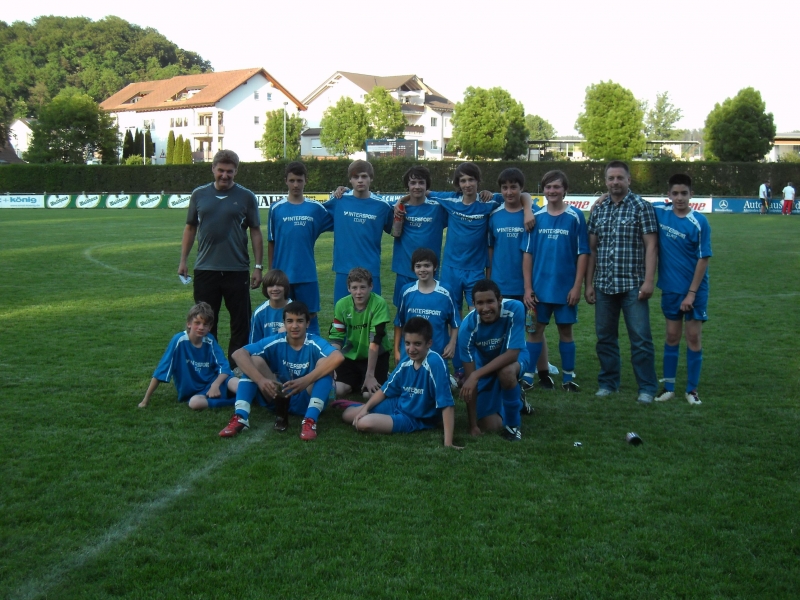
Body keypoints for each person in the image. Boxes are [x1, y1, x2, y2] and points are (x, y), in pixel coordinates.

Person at [426, 162, 534, 385]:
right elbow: (421, 191)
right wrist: (402, 200)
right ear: (458, 184)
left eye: (471, 180)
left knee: (479, 316)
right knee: (450, 317)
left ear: (478, 182)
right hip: (451, 270)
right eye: (463, 180)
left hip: (476, 271)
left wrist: (529, 210)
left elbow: (523, 193)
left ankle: (482, 363)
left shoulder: (489, 201)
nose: (467, 184)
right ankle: (456, 368)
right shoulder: (449, 200)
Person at [178, 149, 263, 366]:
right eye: (221, 170)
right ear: (213, 169)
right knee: (205, 322)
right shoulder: (199, 195)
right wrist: (183, 260)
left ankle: (237, 369)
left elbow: (255, 231)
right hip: (206, 269)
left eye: (230, 172)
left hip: (237, 270)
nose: (225, 175)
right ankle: (209, 366)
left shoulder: (246, 196)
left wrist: (258, 266)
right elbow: (190, 227)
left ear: (236, 172)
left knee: (240, 323)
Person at [585, 161, 659, 403]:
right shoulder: (599, 209)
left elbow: (651, 246)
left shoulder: (642, 207)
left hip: (632, 285)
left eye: (619, 178)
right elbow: (592, 250)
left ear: (629, 180)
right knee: (605, 338)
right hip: (604, 285)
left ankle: (647, 388)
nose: (615, 182)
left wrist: (648, 281)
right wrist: (589, 284)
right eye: (611, 178)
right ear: (605, 182)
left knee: (640, 339)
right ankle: (608, 383)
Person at [219, 301, 344, 441]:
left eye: (300, 321)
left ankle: (310, 420)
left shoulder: (314, 342)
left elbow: (338, 357)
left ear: (308, 323)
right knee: (253, 360)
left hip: (305, 398)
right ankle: (241, 417)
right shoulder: (276, 340)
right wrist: (260, 381)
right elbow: (238, 354)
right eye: (290, 321)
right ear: (284, 323)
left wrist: (305, 380)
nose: (294, 326)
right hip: (278, 396)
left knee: (325, 365)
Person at [487, 167, 558, 392]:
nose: (509, 192)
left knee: (533, 328)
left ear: (521, 189)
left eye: (514, 187)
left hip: (527, 285)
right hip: (501, 283)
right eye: (505, 187)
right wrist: (490, 280)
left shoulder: (533, 214)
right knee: (502, 328)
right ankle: (503, 368)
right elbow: (491, 250)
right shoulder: (495, 216)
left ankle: (542, 369)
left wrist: (527, 208)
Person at [342, 317, 460, 448]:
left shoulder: (435, 363)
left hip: (414, 418)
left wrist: (448, 443)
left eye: (417, 344)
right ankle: (365, 408)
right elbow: (384, 391)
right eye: (407, 343)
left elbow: (447, 404)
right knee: (348, 415)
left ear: (429, 343)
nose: (411, 349)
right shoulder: (406, 362)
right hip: (399, 404)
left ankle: (374, 414)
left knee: (363, 423)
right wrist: (365, 409)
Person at [521, 170, 590, 393]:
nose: (552, 191)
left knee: (566, 331)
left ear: (565, 190)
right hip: (540, 289)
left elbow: (583, 253)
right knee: (535, 330)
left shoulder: (575, 217)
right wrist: (528, 288)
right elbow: (528, 254)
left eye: (557, 187)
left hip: (565, 289)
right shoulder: (536, 218)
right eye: (548, 187)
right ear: (543, 190)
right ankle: (529, 377)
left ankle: (569, 378)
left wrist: (577, 286)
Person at [653, 174, 711, 405]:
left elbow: (703, 259)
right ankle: (668, 388)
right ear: (669, 195)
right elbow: (630, 198)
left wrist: (692, 293)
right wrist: (604, 196)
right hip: (670, 289)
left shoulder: (699, 222)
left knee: (693, 338)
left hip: (694, 291)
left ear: (691, 195)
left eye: (684, 193)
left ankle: (692, 390)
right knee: (671, 336)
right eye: (675, 193)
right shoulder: (661, 212)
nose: (679, 198)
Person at [458, 279, 529, 441]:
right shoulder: (467, 328)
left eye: (490, 301)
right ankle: (515, 398)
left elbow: (513, 354)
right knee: (491, 426)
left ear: (499, 300)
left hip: (517, 357)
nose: (485, 308)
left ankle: (513, 426)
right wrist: (473, 425)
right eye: (480, 303)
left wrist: (476, 375)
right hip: (486, 367)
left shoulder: (515, 308)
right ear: (473, 304)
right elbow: (471, 384)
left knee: (506, 372)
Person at [267, 161, 332, 334]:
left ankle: (313, 355)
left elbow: (339, 216)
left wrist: (343, 192)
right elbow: (271, 241)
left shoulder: (315, 209)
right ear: (286, 181)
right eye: (292, 180)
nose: (296, 185)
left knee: (310, 316)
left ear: (305, 181)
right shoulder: (276, 209)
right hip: (282, 276)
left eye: (299, 180)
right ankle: (284, 355)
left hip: (307, 274)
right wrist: (270, 273)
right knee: (283, 319)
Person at [139, 302, 239, 409]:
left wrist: (215, 385)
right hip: (195, 392)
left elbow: (224, 367)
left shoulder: (209, 340)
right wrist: (145, 400)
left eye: (205, 324)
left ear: (210, 327)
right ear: (189, 324)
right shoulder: (179, 341)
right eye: (197, 323)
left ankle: (248, 396)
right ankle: (233, 402)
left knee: (238, 384)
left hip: (215, 383)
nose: (201, 327)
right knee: (194, 403)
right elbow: (161, 370)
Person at [323, 160, 394, 305]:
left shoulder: (382, 206)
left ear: (371, 178)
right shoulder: (339, 200)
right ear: (350, 180)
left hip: (371, 270)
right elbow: (315, 216)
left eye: (364, 176)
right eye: (356, 177)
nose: (360, 180)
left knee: (372, 318)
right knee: (342, 317)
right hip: (344, 269)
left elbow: (395, 231)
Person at [389, 166, 449, 308]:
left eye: (421, 182)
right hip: (404, 269)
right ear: (407, 185)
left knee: (429, 311)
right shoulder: (397, 208)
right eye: (413, 183)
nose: (417, 186)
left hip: (430, 270)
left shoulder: (438, 208)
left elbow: (459, 197)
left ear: (427, 186)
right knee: (404, 312)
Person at [329, 267, 392, 400]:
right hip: (351, 356)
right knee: (338, 390)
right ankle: (358, 380)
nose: (358, 292)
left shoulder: (379, 304)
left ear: (371, 287)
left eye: (363, 287)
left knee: (369, 394)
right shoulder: (341, 305)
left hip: (376, 355)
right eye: (354, 287)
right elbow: (336, 338)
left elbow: (375, 341)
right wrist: (332, 365)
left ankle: (383, 374)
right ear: (348, 288)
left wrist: (370, 374)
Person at [393, 247, 460, 365]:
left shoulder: (446, 292)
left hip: (437, 353)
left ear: (435, 267)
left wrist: (452, 343)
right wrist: (396, 350)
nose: (422, 269)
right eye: (418, 266)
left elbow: (455, 323)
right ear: (413, 268)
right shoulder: (406, 291)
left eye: (427, 265)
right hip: (410, 354)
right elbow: (399, 323)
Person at [249, 269, 291, 345]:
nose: (275, 289)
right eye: (271, 285)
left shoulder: (296, 310)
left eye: (279, 285)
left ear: (285, 287)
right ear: (266, 289)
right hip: (266, 354)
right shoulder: (259, 313)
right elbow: (254, 344)